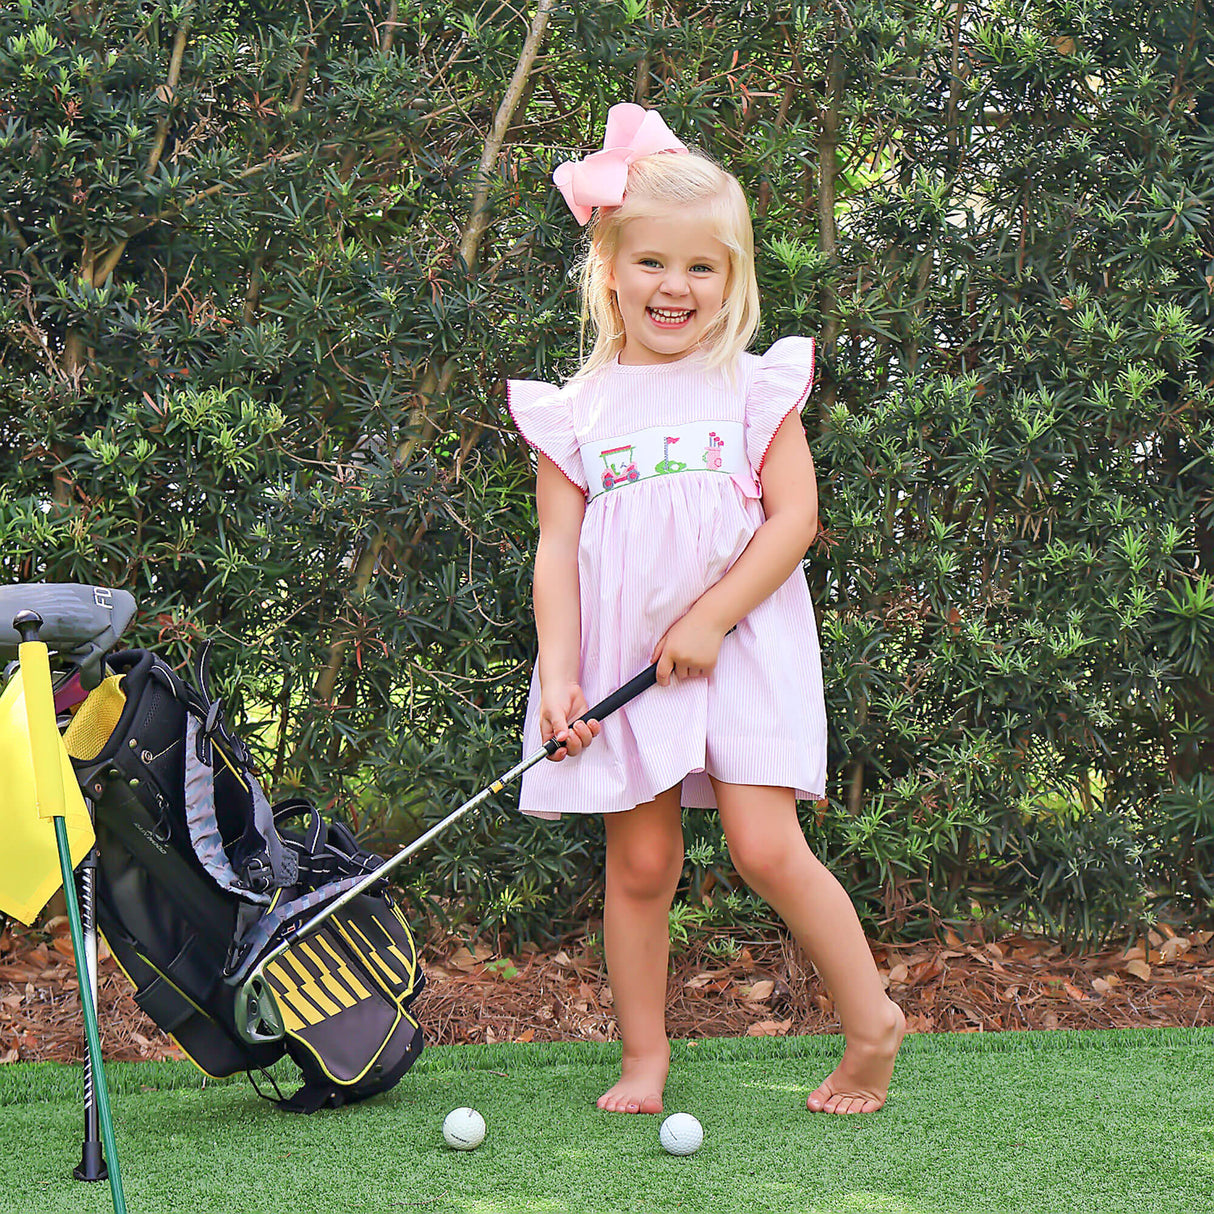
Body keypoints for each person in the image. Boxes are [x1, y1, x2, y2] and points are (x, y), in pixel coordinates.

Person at [507, 103, 905, 1116]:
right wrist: (562, 674)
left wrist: (713, 615)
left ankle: (872, 1023)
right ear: (609, 269)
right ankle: (644, 1059)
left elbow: (794, 519)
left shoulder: (750, 389)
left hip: (743, 641)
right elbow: (557, 553)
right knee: (641, 861)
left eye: (700, 267)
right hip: (625, 658)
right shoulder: (576, 413)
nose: (674, 286)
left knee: (764, 846)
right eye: (650, 262)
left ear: (733, 279)